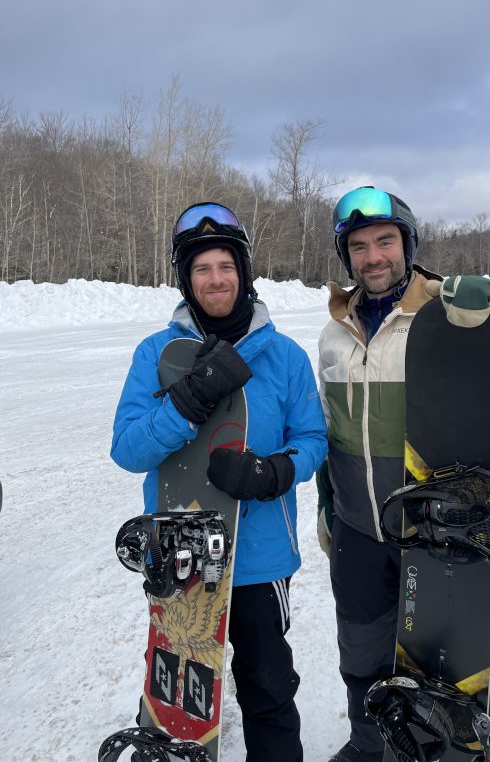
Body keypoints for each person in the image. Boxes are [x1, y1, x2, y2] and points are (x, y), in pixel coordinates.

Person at [111, 201, 328, 762]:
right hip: (181, 554)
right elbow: (128, 449)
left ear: (243, 272)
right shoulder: (156, 355)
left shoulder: (284, 357)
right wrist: (188, 402)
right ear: (186, 279)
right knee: (177, 690)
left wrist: (274, 471)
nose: (215, 279)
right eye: (202, 268)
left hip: (261, 556)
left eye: (225, 266)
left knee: (268, 686)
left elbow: (313, 441)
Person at [317, 186, 490, 762]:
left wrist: (485, 326)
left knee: (455, 664)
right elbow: (334, 428)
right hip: (359, 531)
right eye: (358, 247)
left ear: (407, 245)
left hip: (432, 530)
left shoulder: (444, 317)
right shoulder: (335, 331)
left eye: (385, 241)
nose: (372, 257)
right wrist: (326, 503)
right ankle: (369, 745)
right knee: (360, 656)